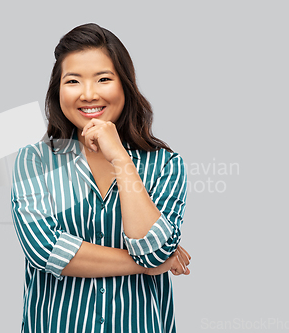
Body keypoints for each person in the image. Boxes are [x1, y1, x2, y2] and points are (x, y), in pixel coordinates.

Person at [11, 23, 191, 333]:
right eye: (73, 81)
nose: (88, 94)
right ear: (58, 90)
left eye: (104, 79)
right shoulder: (34, 161)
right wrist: (150, 264)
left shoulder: (165, 165)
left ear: (125, 86)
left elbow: (153, 248)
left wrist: (121, 159)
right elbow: (46, 250)